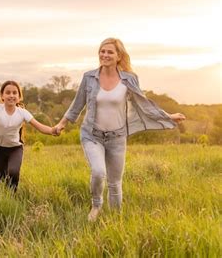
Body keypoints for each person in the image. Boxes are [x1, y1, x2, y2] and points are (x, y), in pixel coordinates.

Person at [54, 38, 186, 221]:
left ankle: (115, 220)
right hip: (92, 135)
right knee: (99, 172)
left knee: (115, 183)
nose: (105, 55)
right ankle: (96, 205)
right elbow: (77, 104)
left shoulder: (129, 79)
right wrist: (62, 123)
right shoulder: (89, 77)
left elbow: (144, 104)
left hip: (117, 137)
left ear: (118, 56)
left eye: (110, 52)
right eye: (102, 51)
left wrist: (168, 116)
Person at [0, 80, 58, 191]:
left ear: (19, 97)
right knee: (1, 180)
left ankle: (13, 196)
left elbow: (40, 127)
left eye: (15, 93)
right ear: (2, 96)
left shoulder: (23, 112)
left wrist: (53, 130)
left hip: (15, 149)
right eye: (8, 92)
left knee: (13, 172)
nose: (11, 95)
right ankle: (5, 197)